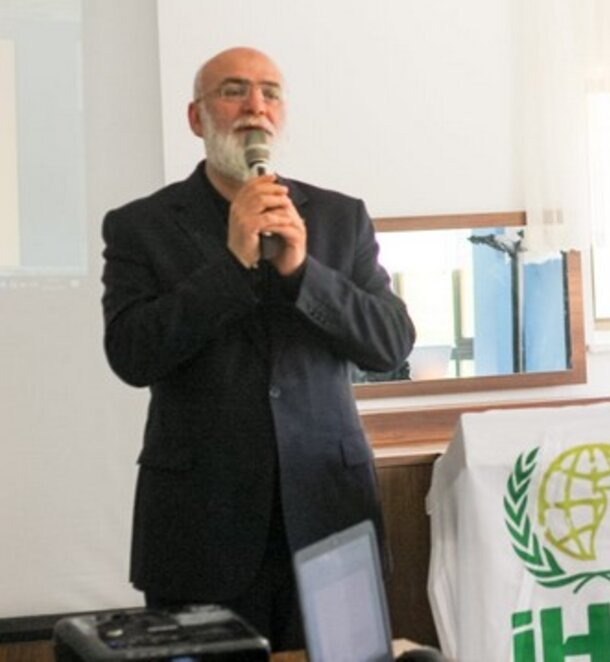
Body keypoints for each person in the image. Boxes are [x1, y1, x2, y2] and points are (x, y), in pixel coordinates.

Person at [100, 46, 415, 651]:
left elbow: (391, 344)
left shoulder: (340, 218)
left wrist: (303, 274)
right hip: (199, 530)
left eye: (270, 93)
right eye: (233, 90)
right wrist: (230, 263)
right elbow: (132, 354)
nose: (255, 106)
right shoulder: (141, 225)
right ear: (196, 118)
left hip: (331, 518)